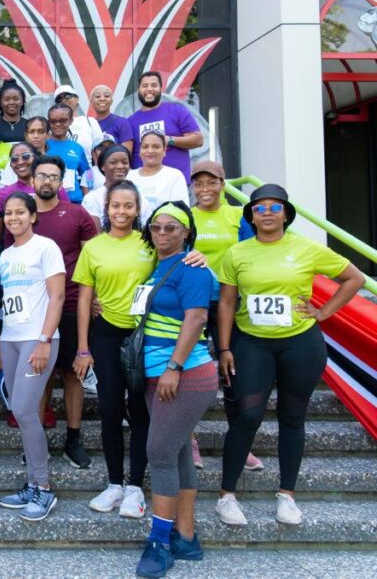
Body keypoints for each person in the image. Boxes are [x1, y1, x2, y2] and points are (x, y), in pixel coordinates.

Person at [215, 184, 364, 527]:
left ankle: (287, 496)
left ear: (286, 214)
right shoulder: (237, 253)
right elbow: (225, 302)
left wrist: (325, 312)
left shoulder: (307, 248)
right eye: (259, 208)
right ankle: (227, 496)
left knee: (293, 418)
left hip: (300, 343)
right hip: (251, 343)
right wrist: (223, 348)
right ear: (250, 215)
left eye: (274, 207)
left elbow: (353, 278)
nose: (266, 213)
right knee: (246, 417)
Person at [131, 201, 218, 577]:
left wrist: (174, 367)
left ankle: (159, 542)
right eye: (156, 227)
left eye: (171, 227)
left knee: (160, 453)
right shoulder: (157, 267)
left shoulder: (192, 267)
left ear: (186, 232)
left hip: (185, 375)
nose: (162, 233)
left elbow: (197, 317)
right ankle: (186, 536)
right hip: (156, 376)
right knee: (179, 454)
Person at [72, 180, 154, 519]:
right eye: (115, 205)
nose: (121, 211)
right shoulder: (94, 247)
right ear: (107, 208)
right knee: (109, 411)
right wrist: (82, 348)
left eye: (128, 206)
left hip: (144, 336)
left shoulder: (151, 243)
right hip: (105, 335)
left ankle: (135, 487)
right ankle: (114, 483)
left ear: (137, 210)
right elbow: (84, 300)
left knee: (139, 411)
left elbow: (176, 267)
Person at [0, 192, 67, 521]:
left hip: (36, 340)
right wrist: (1, 343)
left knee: (25, 410)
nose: (13, 218)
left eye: (20, 212)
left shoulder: (46, 247)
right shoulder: (6, 255)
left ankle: (44, 487)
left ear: (33, 216)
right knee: (19, 410)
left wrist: (44, 340)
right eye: (8, 213)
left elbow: (57, 296)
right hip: (11, 338)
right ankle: (31, 484)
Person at [187, 160, 260, 471]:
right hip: (192, 304)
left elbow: (250, 252)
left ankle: (240, 444)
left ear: (222, 183)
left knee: (233, 374)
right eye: (199, 184)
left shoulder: (236, 215)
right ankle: (188, 441)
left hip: (230, 303)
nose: (205, 189)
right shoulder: (186, 215)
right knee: (188, 373)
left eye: (211, 182)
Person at [28, 155, 100, 468]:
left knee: (72, 374)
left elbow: (93, 260)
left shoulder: (77, 214)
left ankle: (73, 438)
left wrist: (93, 297)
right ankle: (36, 439)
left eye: (53, 176)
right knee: (39, 375)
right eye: (41, 175)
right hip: (34, 309)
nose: (47, 181)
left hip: (71, 304)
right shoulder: (22, 214)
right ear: (32, 179)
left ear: (62, 181)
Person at [127, 72, 203, 182]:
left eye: (154, 85)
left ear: (160, 89)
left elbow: (198, 140)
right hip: (143, 185)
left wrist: (169, 140)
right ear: (138, 90)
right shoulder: (130, 121)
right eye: (145, 86)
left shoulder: (177, 111)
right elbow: (127, 155)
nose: (149, 89)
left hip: (176, 183)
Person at [0, 143, 67, 247]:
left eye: (25, 157)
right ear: (11, 164)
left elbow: (67, 220)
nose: (20, 162)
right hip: (16, 258)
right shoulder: (2, 194)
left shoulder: (52, 188)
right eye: (14, 159)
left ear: (35, 158)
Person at [127, 131, 189, 224]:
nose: (150, 151)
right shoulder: (130, 177)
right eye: (145, 147)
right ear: (140, 151)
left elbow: (180, 211)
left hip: (163, 232)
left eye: (156, 146)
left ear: (164, 151)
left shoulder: (174, 176)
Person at [45, 103, 91, 203]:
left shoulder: (77, 148)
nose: (58, 124)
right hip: (48, 202)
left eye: (63, 120)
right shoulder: (42, 146)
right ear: (49, 122)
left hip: (74, 202)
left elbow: (87, 173)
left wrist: (88, 197)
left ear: (70, 121)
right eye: (53, 121)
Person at [82, 144, 132, 227]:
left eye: (125, 162)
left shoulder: (138, 196)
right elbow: (95, 234)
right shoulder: (92, 198)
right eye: (113, 162)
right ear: (102, 166)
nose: (120, 166)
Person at [53, 85, 104, 165]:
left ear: (77, 99)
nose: (64, 100)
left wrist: (99, 173)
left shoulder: (90, 122)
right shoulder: (52, 125)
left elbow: (99, 151)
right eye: (59, 99)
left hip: (86, 173)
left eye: (67, 96)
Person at [89, 84, 134, 152]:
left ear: (111, 101)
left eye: (106, 96)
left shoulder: (122, 122)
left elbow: (126, 154)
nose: (102, 99)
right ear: (91, 102)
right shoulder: (88, 125)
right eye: (97, 96)